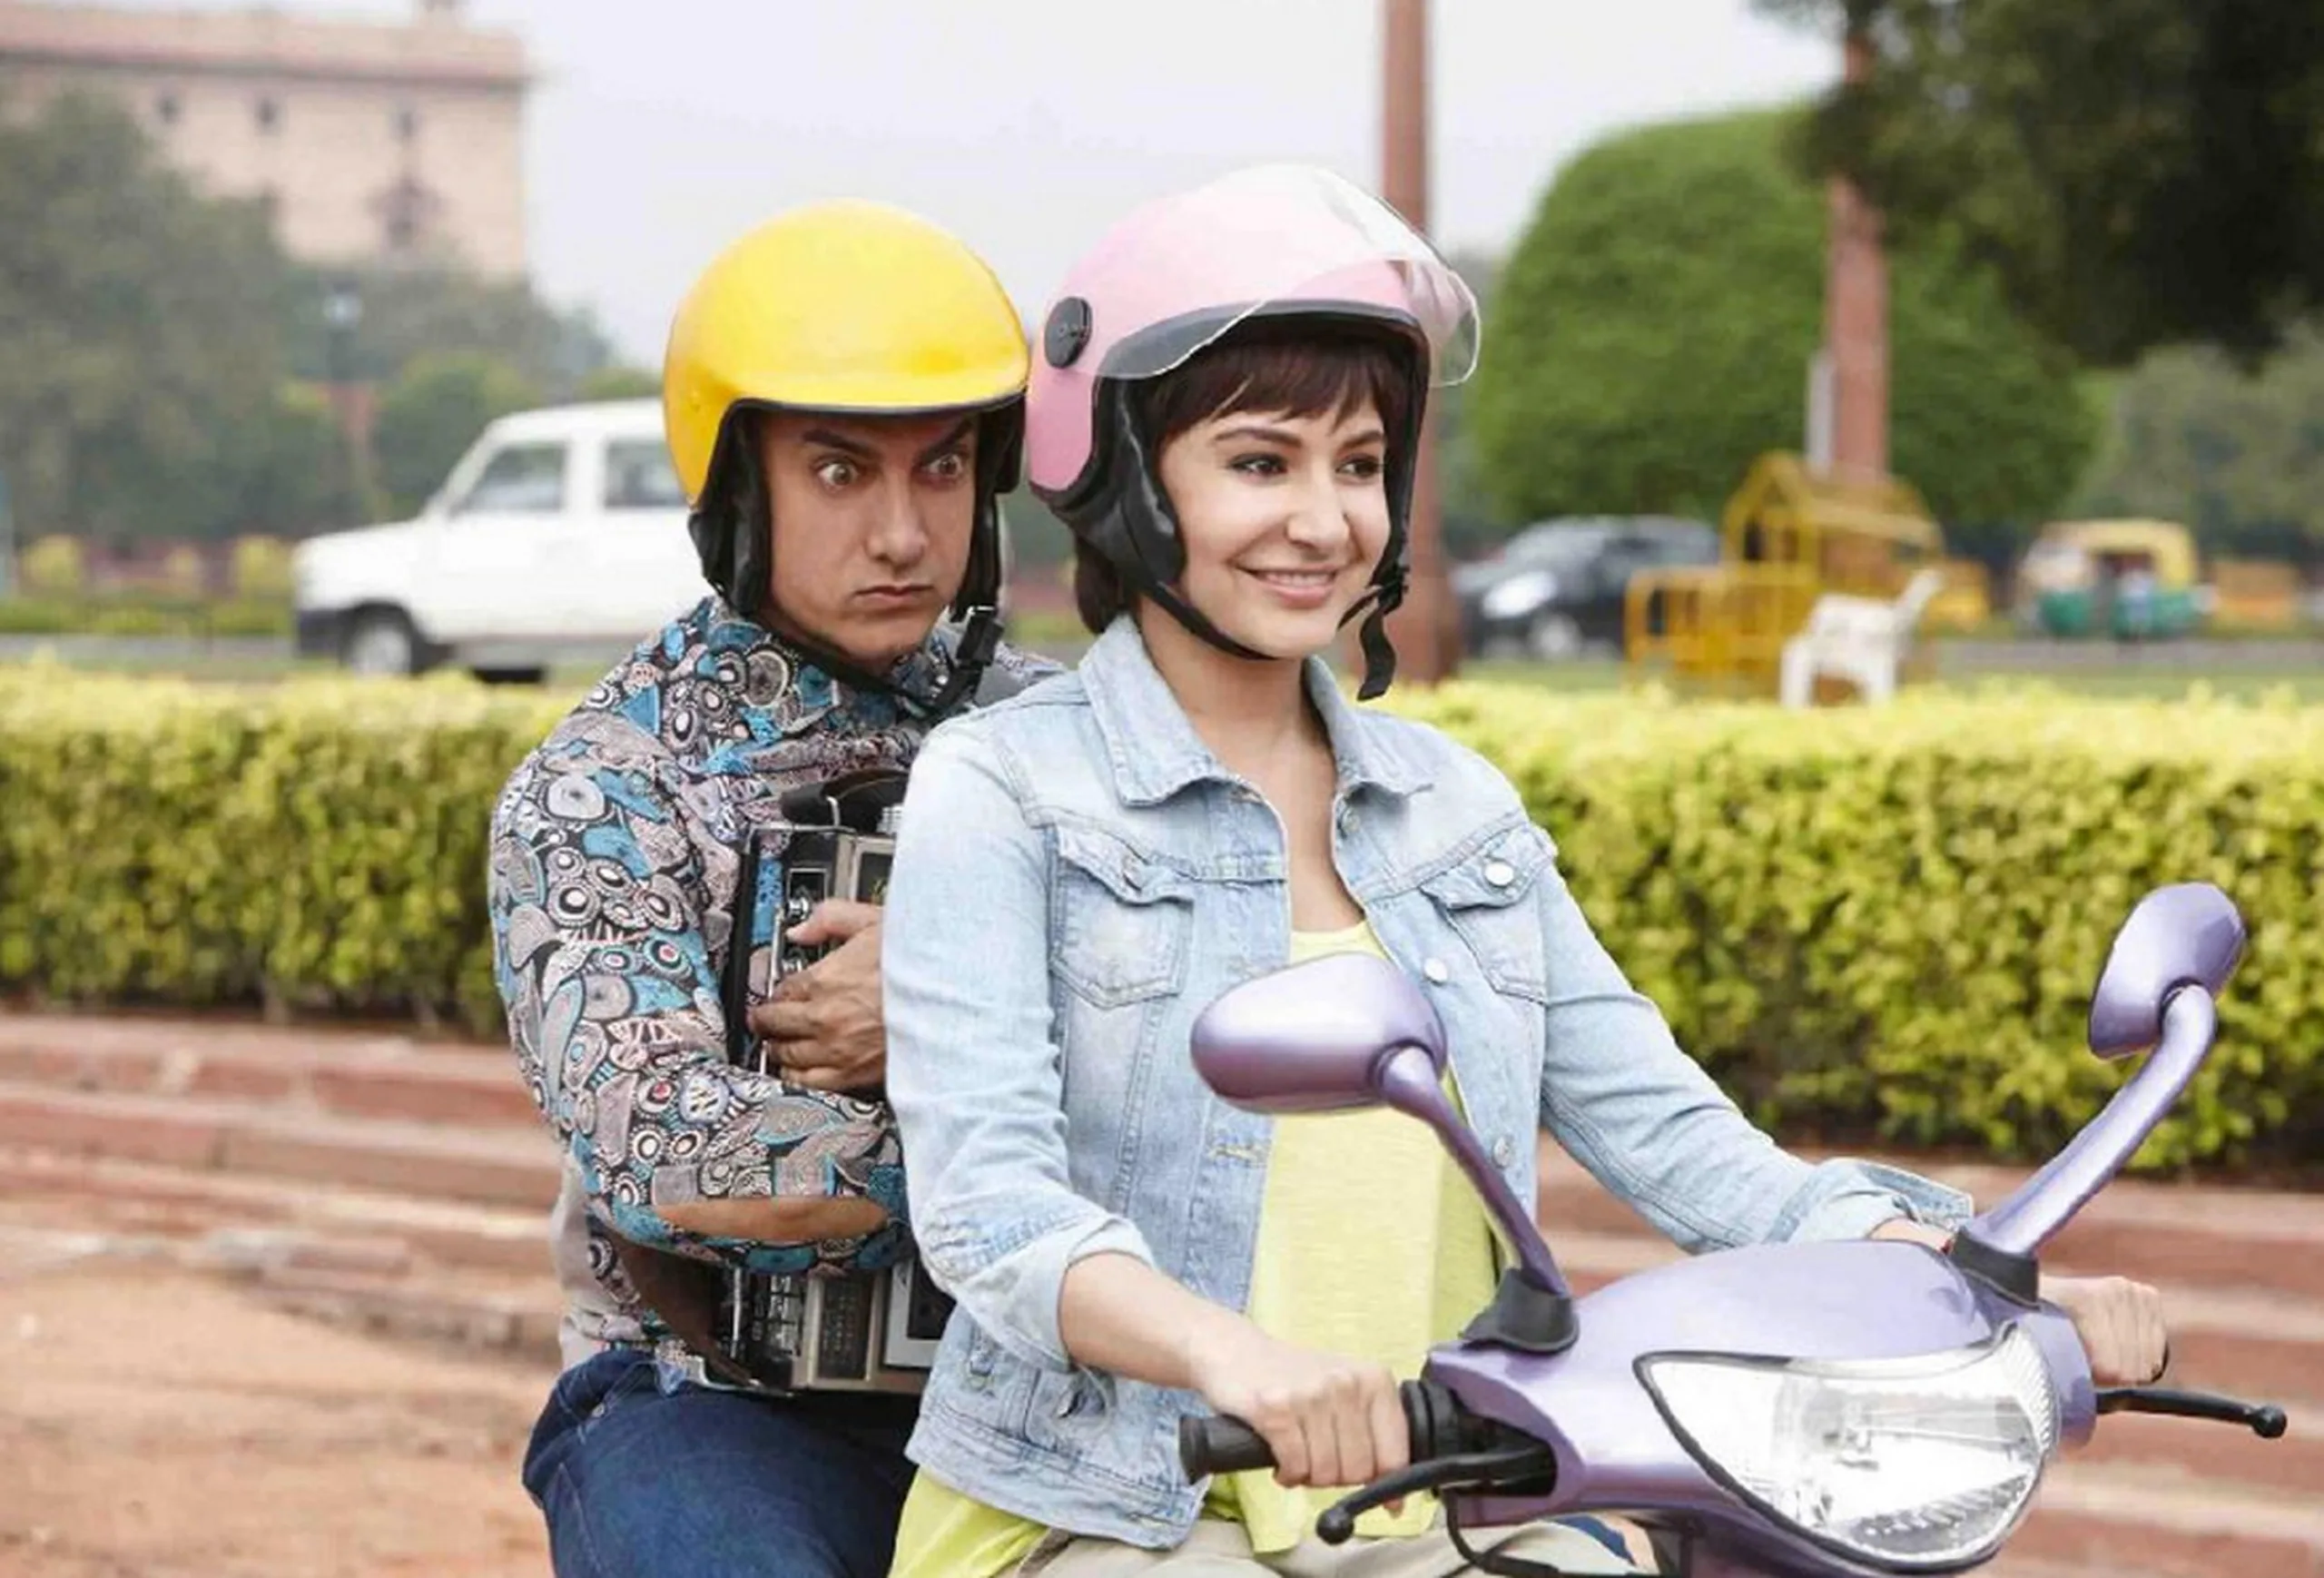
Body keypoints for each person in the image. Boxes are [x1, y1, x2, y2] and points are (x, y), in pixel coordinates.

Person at [875, 164, 2171, 1577]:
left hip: (1438, 1507)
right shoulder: (1005, 787)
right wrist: (1235, 1360)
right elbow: (990, 1209)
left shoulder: (1455, 809)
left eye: (1359, 464)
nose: (1324, 520)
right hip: (1113, 1506)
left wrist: (1974, 1269)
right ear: (1127, 475)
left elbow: (1683, 1143)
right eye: (1261, 462)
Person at [486, 197, 1057, 1578]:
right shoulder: (605, 786)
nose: (908, 533)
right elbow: (666, 1153)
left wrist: (924, 1002)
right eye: (844, 473)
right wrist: (1051, 1158)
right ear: (740, 484)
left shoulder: (1068, 743)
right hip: (709, 1408)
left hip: (1050, 1389)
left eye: (944, 467)